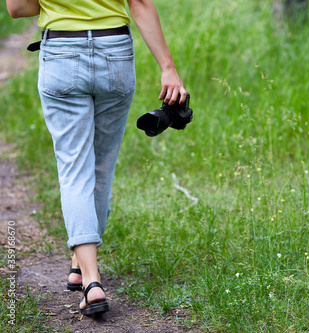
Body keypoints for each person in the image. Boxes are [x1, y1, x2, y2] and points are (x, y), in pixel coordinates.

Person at [6, 0, 187, 316]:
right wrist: (167, 67)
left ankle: (91, 281)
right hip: (113, 50)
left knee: (75, 167)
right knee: (101, 165)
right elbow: (140, 3)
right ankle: (80, 265)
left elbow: (17, 7)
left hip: (61, 53)